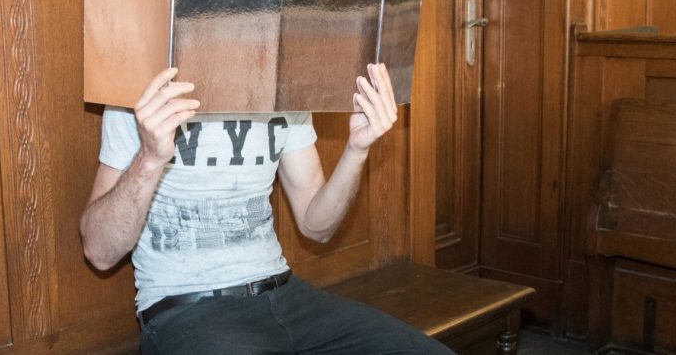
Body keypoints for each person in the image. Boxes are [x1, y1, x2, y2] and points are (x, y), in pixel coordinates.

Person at [80, 65, 454, 354]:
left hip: (288, 298)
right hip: (190, 311)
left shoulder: (279, 84)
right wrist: (149, 157)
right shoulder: (142, 94)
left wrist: (357, 149)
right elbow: (99, 252)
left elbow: (316, 226)